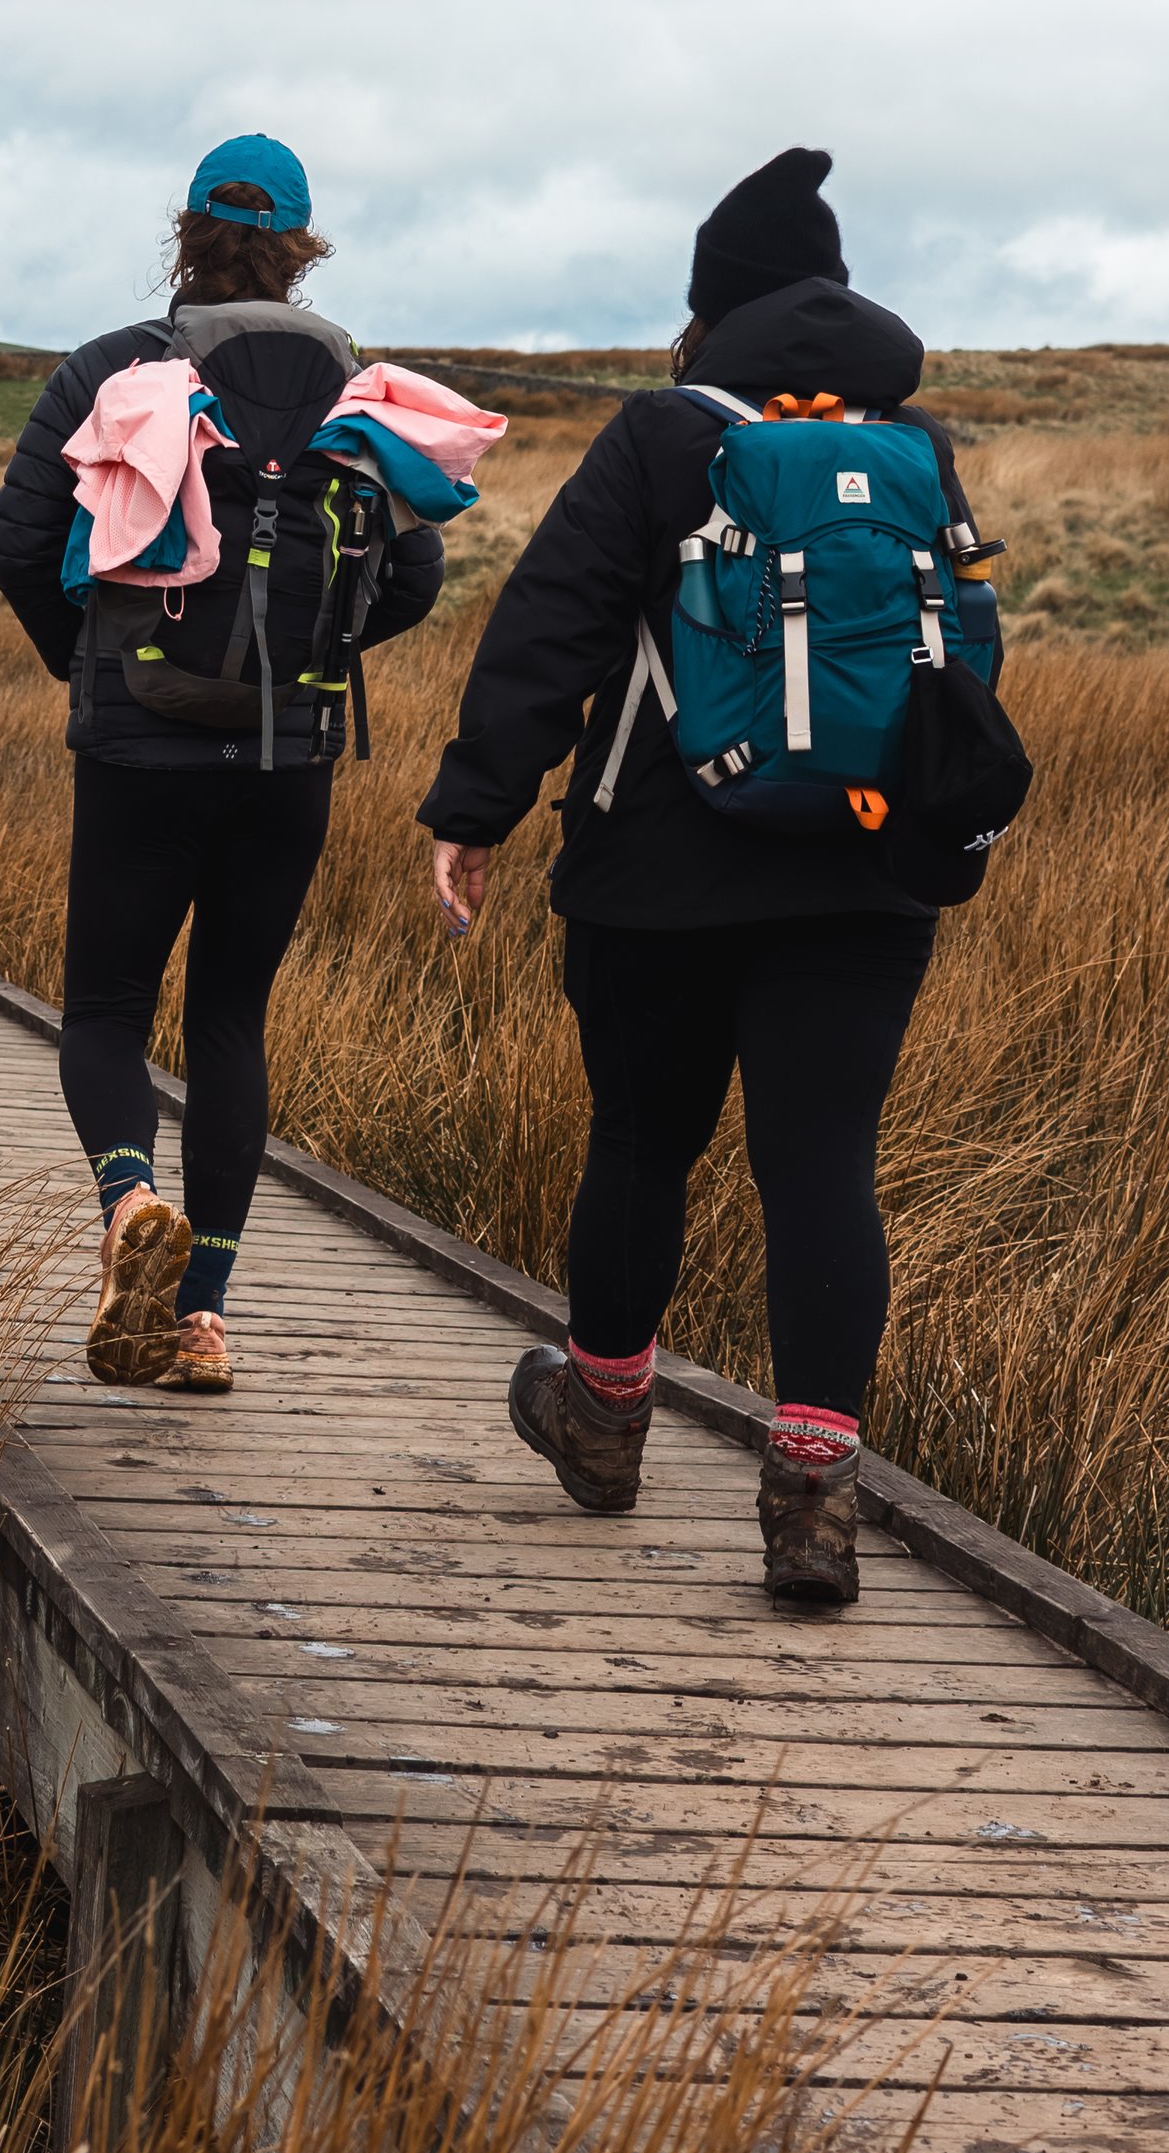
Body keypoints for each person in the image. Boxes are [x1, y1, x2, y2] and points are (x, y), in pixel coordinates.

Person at [417, 148, 998, 1607]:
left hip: (654, 875)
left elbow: (551, 625)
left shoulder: (662, 437)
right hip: (867, 872)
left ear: (709, 309)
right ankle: (812, 1496)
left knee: (639, 1147)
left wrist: (478, 806)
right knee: (821, 1171)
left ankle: (607, 1422)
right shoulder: (907, 442)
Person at [0, 137, 466, 1397]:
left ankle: (127, 1196)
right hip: (286, 753)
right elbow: (412, 571)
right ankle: (201, 1317)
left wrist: (84, 664)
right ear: (301, 247)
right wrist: (311, 660)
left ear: (185, 232)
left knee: (103, 1013)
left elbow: (20, 534)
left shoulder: (111, 366)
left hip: (137, 739)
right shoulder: (360, 390)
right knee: (229, 1022)